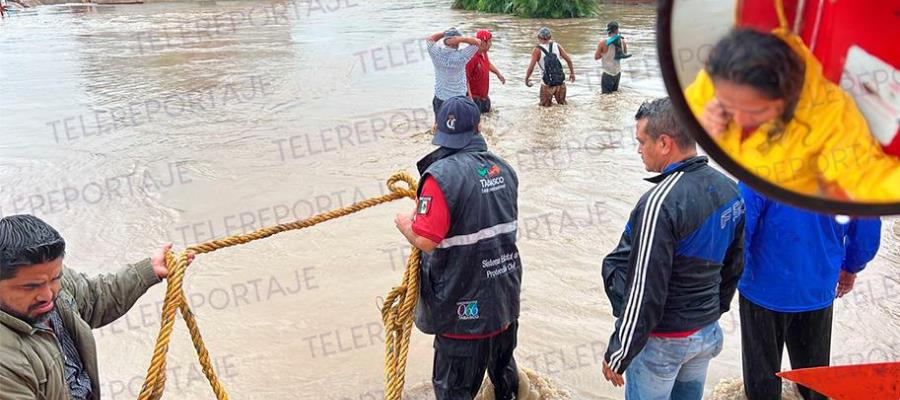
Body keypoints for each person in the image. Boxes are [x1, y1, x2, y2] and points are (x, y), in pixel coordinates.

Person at [600, 98, 745, 399]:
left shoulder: (660, 202)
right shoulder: (730, 189)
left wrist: (619, 351)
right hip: (704, 333)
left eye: (641, 141)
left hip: (663, 343)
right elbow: (735, 266)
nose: (639, 149)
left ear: (665, 143)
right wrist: (710, 314)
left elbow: (646, 289)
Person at [394, 96, 522, 400]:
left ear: (438, 128)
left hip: (461, 313)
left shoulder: (439, 178)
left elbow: (426, 239)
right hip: (504, 300)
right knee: (504, 377)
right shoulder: (504, 170)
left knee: (454, 390)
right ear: (478, 128)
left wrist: (404, 223)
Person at [684, 28, 900, 202]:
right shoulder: (720, 78)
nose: (739, 120)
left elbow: (864, 175)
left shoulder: (831, 113)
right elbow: (685, 110)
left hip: (789, 211)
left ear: (788, 96)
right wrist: (700, 123)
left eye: (758, 111)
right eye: (727, 105)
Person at [0, 214, 193, 400]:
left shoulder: (48, 277)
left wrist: (148, 271)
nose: (48, 295)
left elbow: (93, 297)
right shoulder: (5, 365)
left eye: (55, 278)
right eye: (31, 287)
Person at [738, 183, 881, 400]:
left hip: (762, 290)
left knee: (762, 378)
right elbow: (867, 228)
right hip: (817, 290)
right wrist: (851, 266)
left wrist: (730, 274)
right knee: (815, 379)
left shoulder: (762, 168)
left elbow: (741, 226)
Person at [427, 28, 483, 119]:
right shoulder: (462, 56)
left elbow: (430, 38)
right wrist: (461, 39)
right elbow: (478, 42)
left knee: (439, 125)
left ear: (445, 41)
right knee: (459, 127)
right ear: (457, 42)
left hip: (440, 98)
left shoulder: (436, 54)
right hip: (459, 100)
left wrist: (445, 34)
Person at [525, 27, 575, 107]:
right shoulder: (557, 46)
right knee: (563, 106)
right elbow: (568, 60)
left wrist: (527, 78)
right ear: (550, 37)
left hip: (547, 84)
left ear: (538, 37)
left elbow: (531, 67)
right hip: (560, 83)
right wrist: (572, 73)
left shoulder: (537, 50)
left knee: (544, 109)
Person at [466, 29, 506, 113]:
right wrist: (470, 99)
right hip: (474, 98)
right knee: (478, 124)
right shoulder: (472, 57)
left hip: (484, 97)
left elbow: (488, 64)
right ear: (483, 42)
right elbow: (465, 79)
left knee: (489, 119)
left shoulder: (484, 53)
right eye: (490, 42)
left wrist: (498, 74)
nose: (491, 44)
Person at [594, 21, 629, 94]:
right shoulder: (622, 41)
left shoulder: (603, 42)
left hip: (607, 73)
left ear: (608, 30)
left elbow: (596, 57)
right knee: (614, 95)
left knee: (606, 97)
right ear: (617, 30)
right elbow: (625, 54)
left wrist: (603, 54)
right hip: (617, 73)